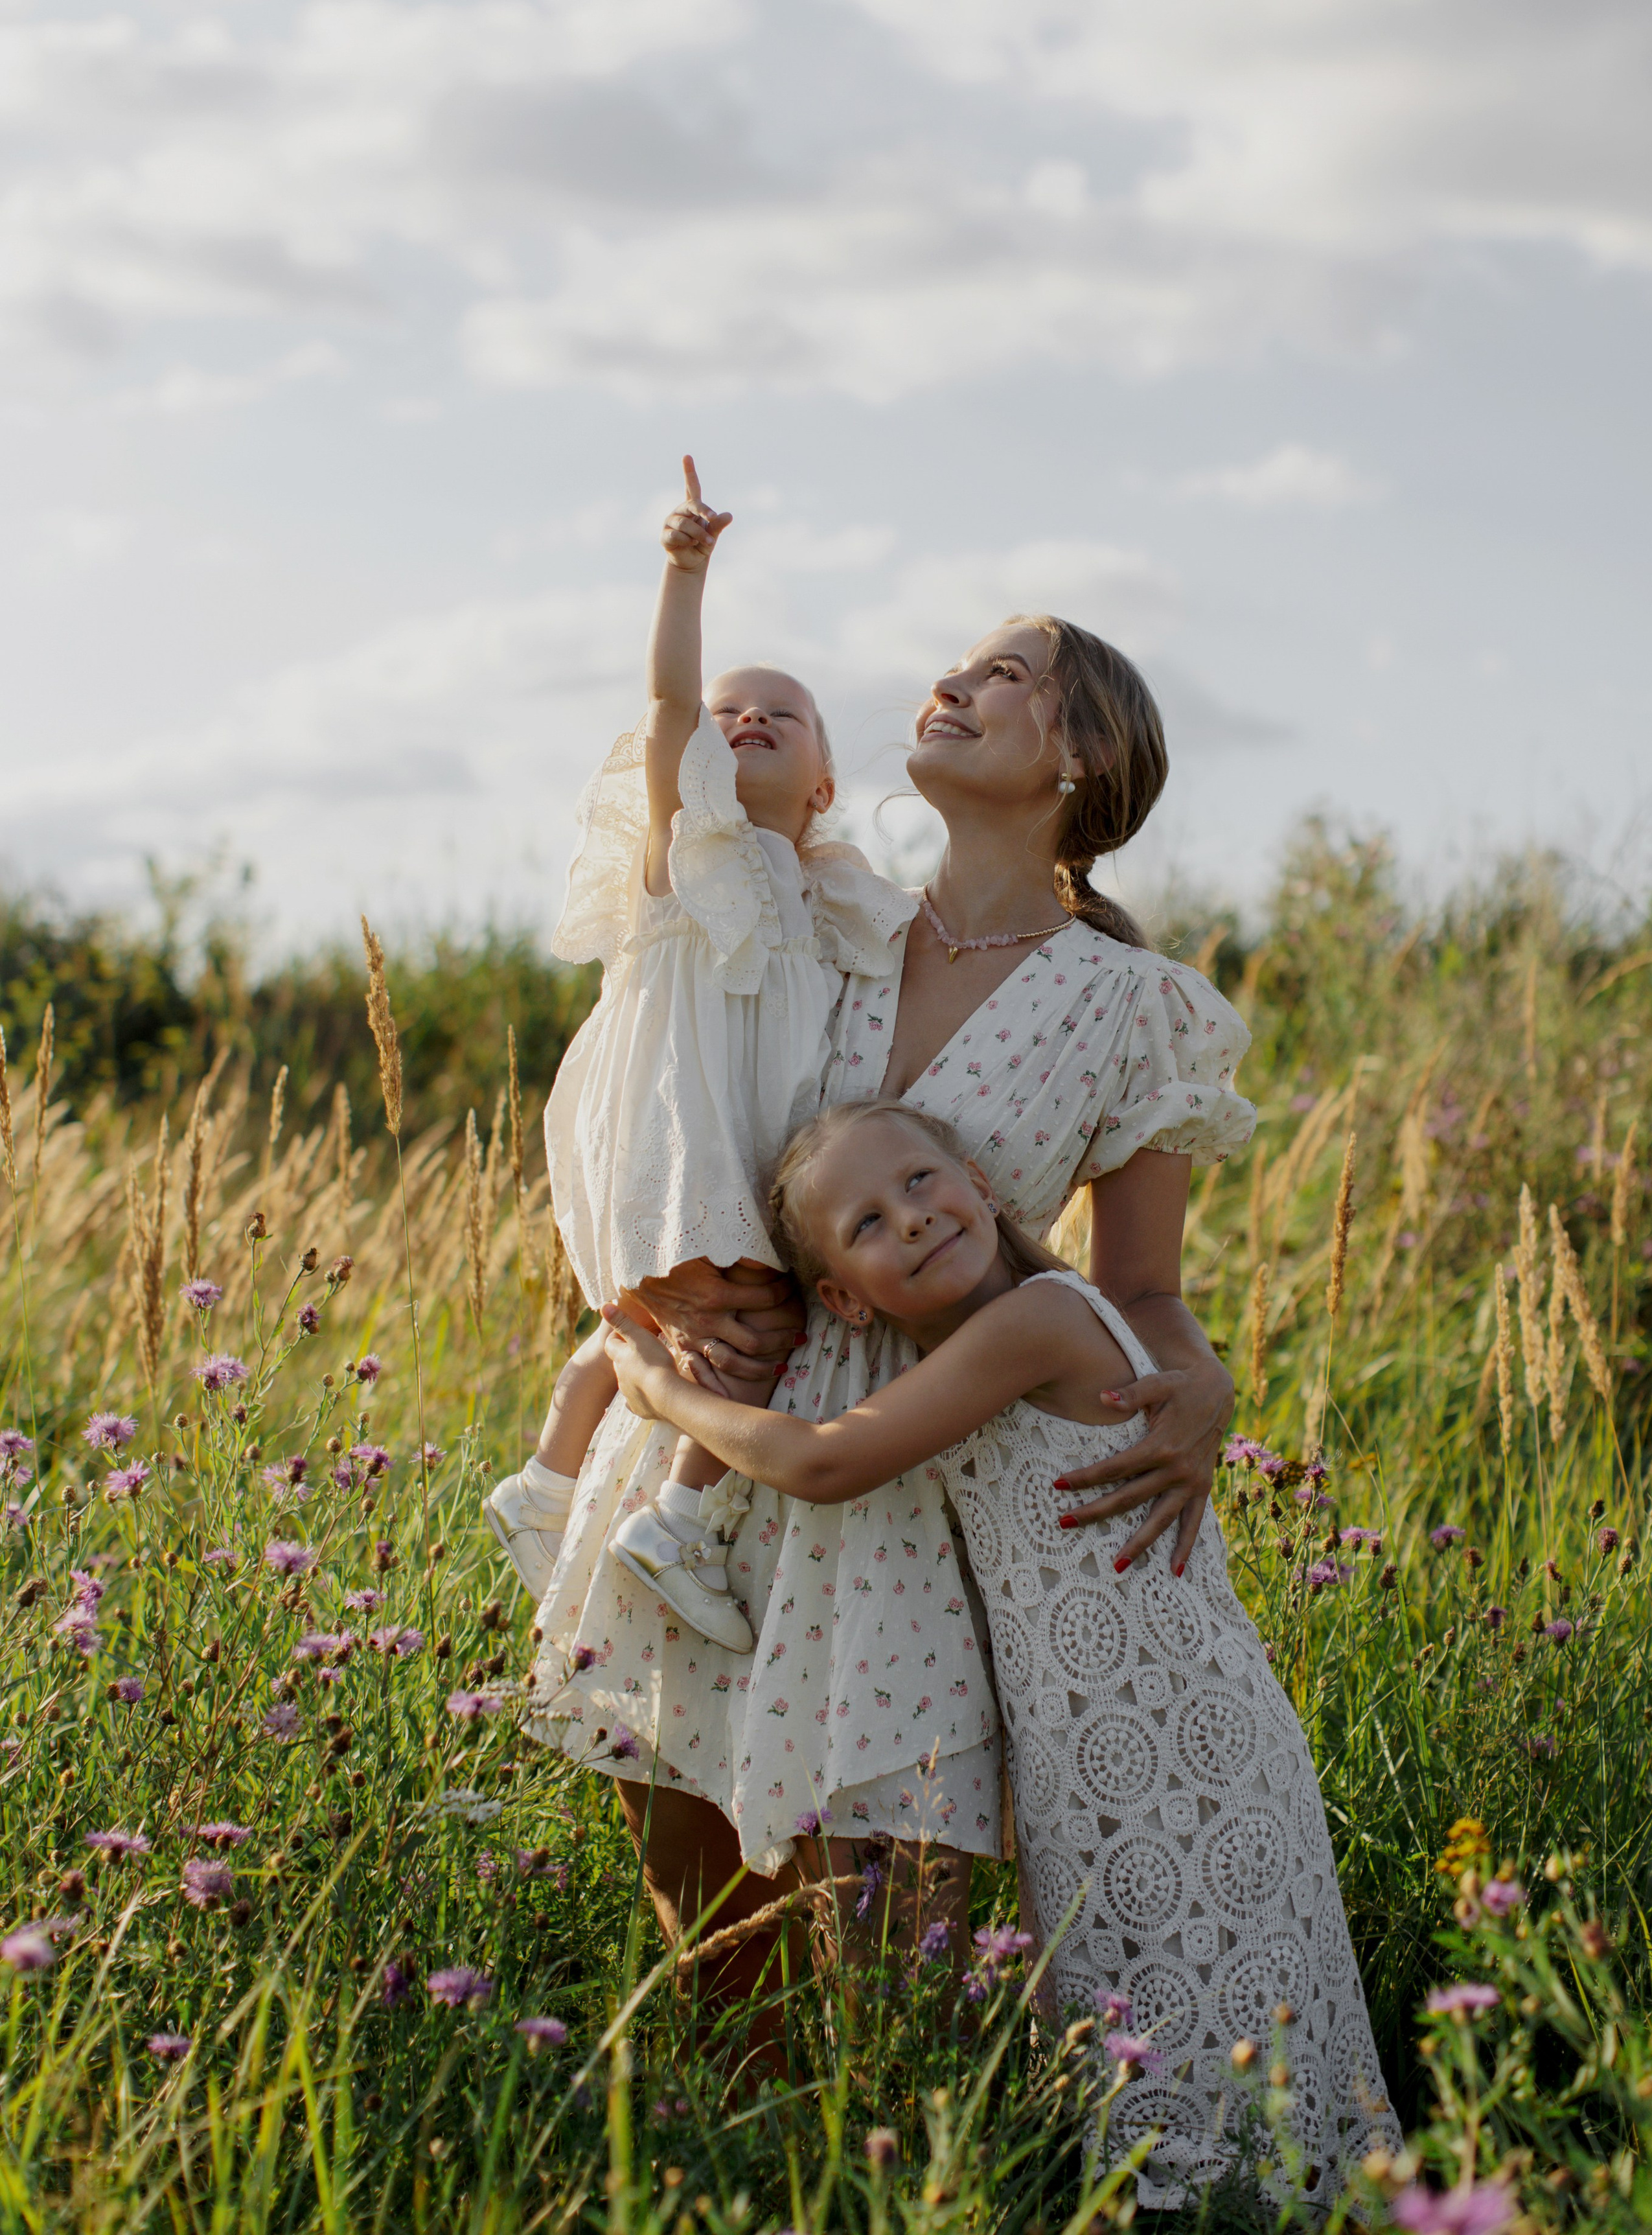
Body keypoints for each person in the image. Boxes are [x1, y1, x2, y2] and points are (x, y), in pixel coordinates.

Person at [527, 607, 1254, 2000]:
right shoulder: (815, 915)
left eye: (1004, 675)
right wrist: (645, 1304)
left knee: (885, 1983)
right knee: (713, 1962)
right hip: (706, 1455)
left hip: (908, 1497)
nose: (951, 682)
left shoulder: (1131, 1007)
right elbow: (651, 1111)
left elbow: (1141, 1290)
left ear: (1080, 755)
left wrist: (1200, 1380)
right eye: (959, 664)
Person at [601, 1098, 1401, 2209]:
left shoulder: (1042, 1318)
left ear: (980, 1181)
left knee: (1230, 2013)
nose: (916, 1218)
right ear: (841, 1295)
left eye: (925, 1182)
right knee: (1144, 2017)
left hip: (1187, 1735)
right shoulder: (971, 1352)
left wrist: (656, 1391)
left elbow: (827, 1461)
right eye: (872, 1222)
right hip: (1091, 1754)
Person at [485, 457, 913, 1651]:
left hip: (749, 1142)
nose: (748, 718)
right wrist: (685, 573)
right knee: (759, 1329)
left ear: (824, 781)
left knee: (664, 1309)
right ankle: (674, 1522)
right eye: (733, 713)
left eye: (782, 712)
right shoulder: (697, 848)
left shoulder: (833, 898)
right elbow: (672, 704)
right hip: (687, 1136)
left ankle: (547, 1483)